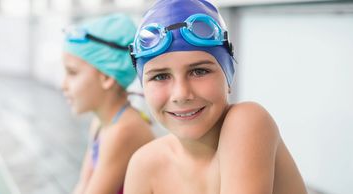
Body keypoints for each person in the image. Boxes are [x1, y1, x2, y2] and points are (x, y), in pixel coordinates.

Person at [124, 0, 308, 193]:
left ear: (228, 76)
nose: (181, 94)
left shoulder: (247, 121)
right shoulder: (144, 164)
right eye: (160, 76)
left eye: (199, 71)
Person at [61, 14, 155, 194]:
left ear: (106, 77)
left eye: (72, 73)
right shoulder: (102, 122)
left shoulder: (124, 131)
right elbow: (83, 185)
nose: (63, 85)